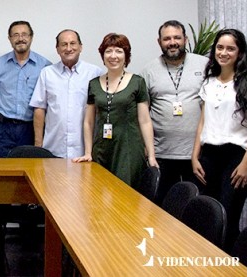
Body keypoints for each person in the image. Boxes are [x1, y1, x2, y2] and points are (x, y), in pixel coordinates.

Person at [192, 28, 247, 251]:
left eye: (230, 48)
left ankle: (229, 267)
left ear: (240, 52)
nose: (224, 52)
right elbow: (202, 122)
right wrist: (194, 156)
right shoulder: (209, 82)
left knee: (227, 215)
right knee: (207, 214)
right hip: (209, 155)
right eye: (220, 47)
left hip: (238, 156)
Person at [74, 33, 158, 187]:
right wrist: (87, 152)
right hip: (101, 149)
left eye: (119, 51)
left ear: (126, 56)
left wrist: (151, 155)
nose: (113, 56)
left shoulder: (137, 82)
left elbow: (145, 121)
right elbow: (88, 121)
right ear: (103, 55)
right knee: (99, 194)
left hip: (128, 149)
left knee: (126, 197)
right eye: (108, 51)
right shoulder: (93, 84)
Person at [140, 20, 208, 203]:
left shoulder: (205, 65)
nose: (172, 42)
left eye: (177, 37)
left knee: (197, 209)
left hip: (197, 154)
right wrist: (148, 149)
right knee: (162, 209)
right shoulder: (148, 70)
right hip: (162, 154)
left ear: (185, 39)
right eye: (167, 38)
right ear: (159, 42)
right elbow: (143, 114)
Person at [30, 29, 104, 158]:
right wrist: (38, 143)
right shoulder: (47, 73)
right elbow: (39, 109)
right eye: (64, 44)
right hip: (53, 147)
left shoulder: (95, 73)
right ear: (57, 49)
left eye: (73, 43)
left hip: (85, 150)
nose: (68, 48)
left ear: (80, 47)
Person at [0, 21, 50, 157]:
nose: (20, 38)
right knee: (1, 170)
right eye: (15, 35)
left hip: (31, 127)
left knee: (29, 169)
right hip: (4, 128)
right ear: (9, 38)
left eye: (24, 34)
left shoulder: (45, 66)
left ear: (31, 37)